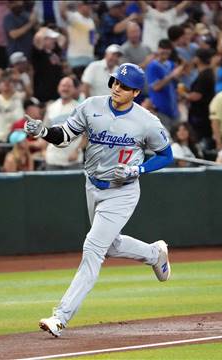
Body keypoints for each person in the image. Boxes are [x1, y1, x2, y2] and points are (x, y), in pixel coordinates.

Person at [23, 63, 173, 337]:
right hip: (92, 185)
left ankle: (60, 317)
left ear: (136, 92)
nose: (117, 87)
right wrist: (44, 132)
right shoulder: (91, 106)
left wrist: (138, 169)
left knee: (93, 247)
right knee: (110, 245)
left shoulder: (147, 121)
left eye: (125, 86)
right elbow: (65, 135)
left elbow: (166, 155)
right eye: (115, 81)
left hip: (123, 191)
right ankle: (154, 254)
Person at [44, 77, 86, 170]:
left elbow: (87, 135)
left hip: (73, 160)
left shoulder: (80, 108)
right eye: (63, 86)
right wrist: (44, 150)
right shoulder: (51, 107)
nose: (65, 88)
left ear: (74, 89)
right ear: (58, 88)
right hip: (52, 159)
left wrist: (78, 150)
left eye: (69, 86)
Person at [146, 39, 184, 129]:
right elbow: (155, 87)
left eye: (167, 52)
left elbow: (176, 84)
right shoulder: (152, 66)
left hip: (174, 109)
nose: (165, 55)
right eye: (163, 51)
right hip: (160, 110)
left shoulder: (171, 64)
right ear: (158, 50)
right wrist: (172, 75)